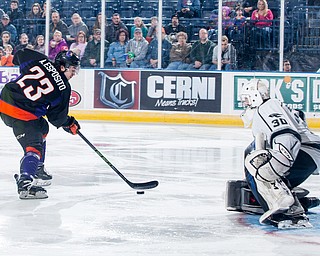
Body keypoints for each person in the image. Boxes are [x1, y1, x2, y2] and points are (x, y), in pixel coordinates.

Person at [237, 79, 320, 228]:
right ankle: (294, 205)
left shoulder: (267, 106)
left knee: (254, 162)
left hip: (303, 151)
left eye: (247, 99)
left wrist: (282, 158)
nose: (246, 104)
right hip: (309, 152)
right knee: (258, 155)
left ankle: (277, 205)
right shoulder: (275, 105)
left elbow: (286, 132)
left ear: (256, 95)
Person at [0, 48, 81, 199]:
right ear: (62, 67)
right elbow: (57, 118)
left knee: (42, 127)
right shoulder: (63, 87)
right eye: (72, 69)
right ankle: (25, 183)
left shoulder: (41, 60)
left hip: (5, 99)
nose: (74, 73)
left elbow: (21, 54)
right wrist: (69, 123)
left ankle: (37, 167)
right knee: (34, 147)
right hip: (20, 112)